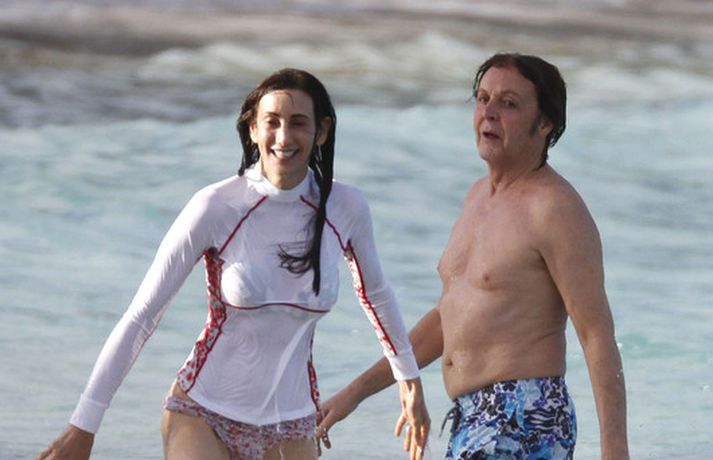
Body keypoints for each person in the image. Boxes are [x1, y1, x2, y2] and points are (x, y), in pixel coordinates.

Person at [38, 68, 430, 460]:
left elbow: (376, 296)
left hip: (292, 423)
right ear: (253, 129)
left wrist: (409, 380)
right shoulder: (218, 206)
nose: (283, 137)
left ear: (321, 131)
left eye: (298, 123)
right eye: (271, 122)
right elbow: (142, 316)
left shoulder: (346, 208)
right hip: (203, 412)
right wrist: (84, 424)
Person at [315, 53, 630, 459]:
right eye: (483, 99)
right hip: (473, 417)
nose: (489, 113)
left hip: (524, 415)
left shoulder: (555, 209)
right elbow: (448, 318)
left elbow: (596, 333)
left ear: (545, 124)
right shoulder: (478, 197)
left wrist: (615, 449)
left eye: (509, 103)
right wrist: (356, 392)